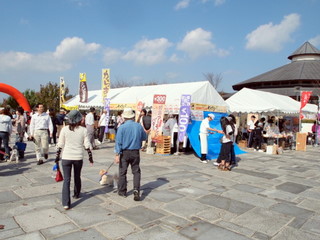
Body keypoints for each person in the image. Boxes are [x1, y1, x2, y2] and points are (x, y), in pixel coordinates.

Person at [55, 110, 93, 210]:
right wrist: (90, 156)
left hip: (66, 157)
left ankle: (66, 203)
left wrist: (57, 156)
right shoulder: (83, 130)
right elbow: (87, 145)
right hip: (78, 157)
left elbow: (60, 144)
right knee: (77, 176)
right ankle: (76, 193)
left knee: (66, 180)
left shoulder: (64, 129)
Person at [114, 108, 147, 201]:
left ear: (124, 117)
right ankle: (136, 190)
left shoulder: (122, 127)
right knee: (136, 171)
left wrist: (117, 154)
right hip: (135, 152)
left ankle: (122, 191)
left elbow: (118, 142)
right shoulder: (138, 126)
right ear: (132, 116)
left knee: (122, 172)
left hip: (124, 152)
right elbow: (144, 137)